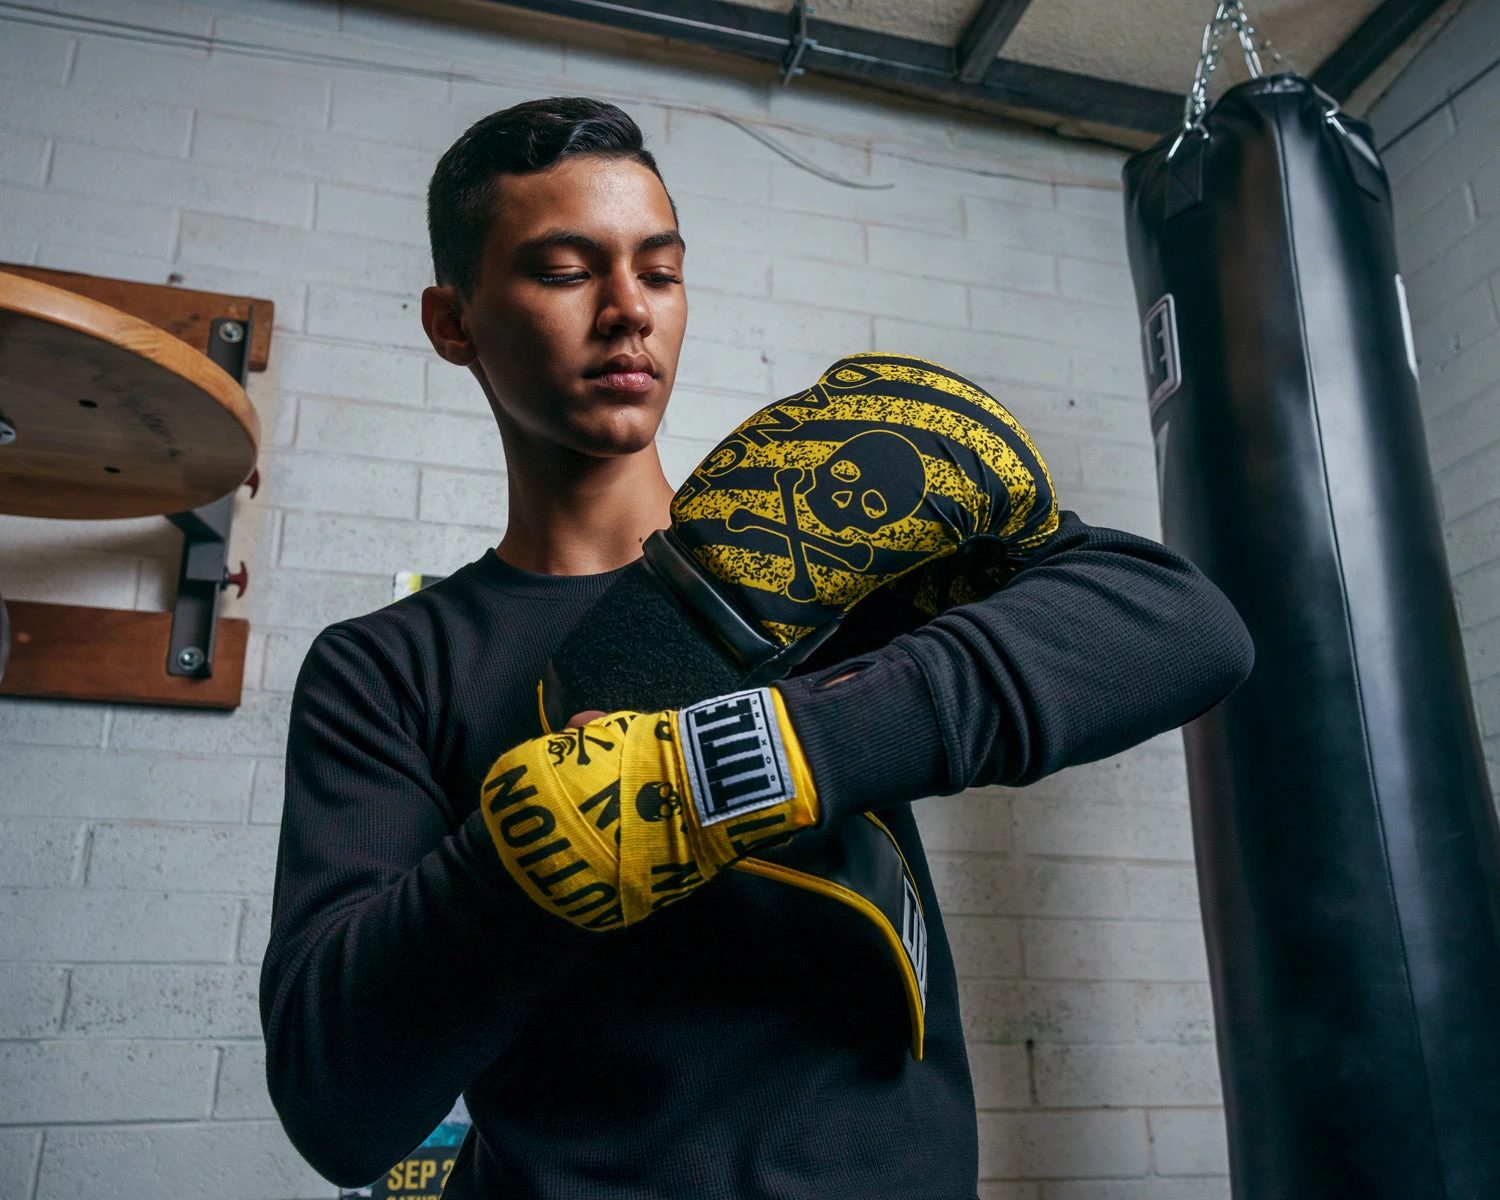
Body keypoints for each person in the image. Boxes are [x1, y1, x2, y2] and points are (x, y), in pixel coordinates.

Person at [261, 97, 1253, 1198]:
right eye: (565, 272)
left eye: (660, 272)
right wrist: (530, 858)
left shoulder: (826, 560)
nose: (628, 311)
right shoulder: (389, 668)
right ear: (454, 323)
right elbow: (334, 1105)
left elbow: (1188, 625)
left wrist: (736, 767)